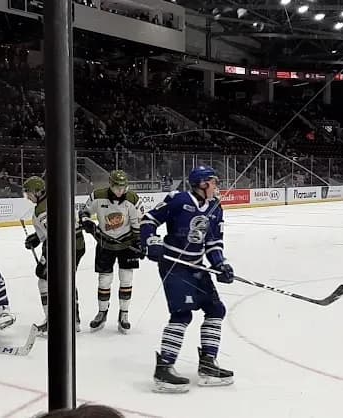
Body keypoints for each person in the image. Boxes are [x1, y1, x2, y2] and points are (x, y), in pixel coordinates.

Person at [140, 166, 234, 393]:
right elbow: (148, 220)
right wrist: (151, 242)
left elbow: (213, 242)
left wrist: (220, 264)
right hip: (174, 264)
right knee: (182, 314)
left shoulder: (215, 207)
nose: (216, 186)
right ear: (202, 184)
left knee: (216, 309)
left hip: (196, 266)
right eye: (213, 182)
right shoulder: (178, 200)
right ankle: (164, 369)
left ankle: (208, 364)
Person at [80, 170, 142, 333]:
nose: (120, 191)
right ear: (110, 184)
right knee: (104, 281)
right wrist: (87, 222)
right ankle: (102, 312)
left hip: (126, 244)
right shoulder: (97, 196)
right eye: (117, 187)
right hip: (105, 244)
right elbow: (84, 213)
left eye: (123, 187)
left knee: (126, 279)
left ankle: (124, 313)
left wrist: (140, 242)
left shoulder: (132, 199)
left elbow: (138, 224)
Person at [23, 175, 85, 334]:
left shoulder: (42, 208)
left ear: (38, 192)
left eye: (29, 193)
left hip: (62, 247)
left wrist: (43, 247)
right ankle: (74, 319)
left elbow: (56, 233)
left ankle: (52, 320)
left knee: (44, 281)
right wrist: (37, 238)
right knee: (67, 280)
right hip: (77, 243)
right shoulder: (58, 197)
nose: (28, 197)